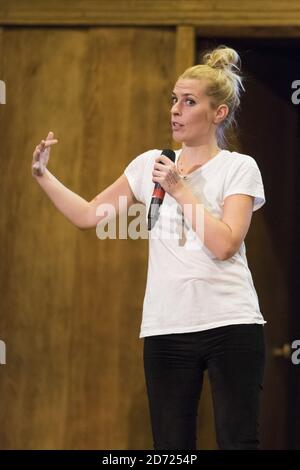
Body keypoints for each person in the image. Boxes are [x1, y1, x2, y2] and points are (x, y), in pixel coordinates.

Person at [32, 45, 266, 451]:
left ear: (218, 114)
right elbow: (89, 215)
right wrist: (43, 176)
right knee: (171, 449)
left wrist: (178, 188)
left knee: (237, 441)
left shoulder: (238, 167)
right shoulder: (149, 164)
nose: (175, 109)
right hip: (166, 326)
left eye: (189, 102)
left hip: (231, 321)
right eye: (174, 99)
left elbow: (225, 243)